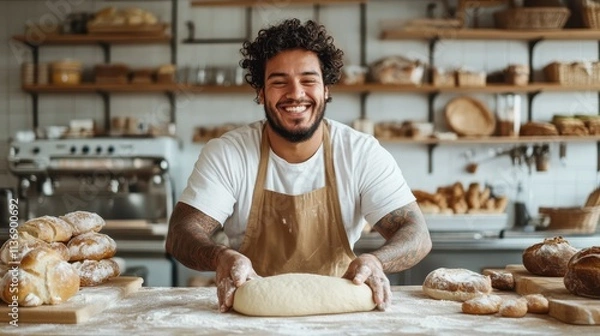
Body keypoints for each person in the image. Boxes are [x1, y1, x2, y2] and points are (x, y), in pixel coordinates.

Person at [166, 18, 432, 313]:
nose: (295, 93)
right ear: (261, 93)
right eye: (279, 81)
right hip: (252, 320)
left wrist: (375, 261)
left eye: (308, 80)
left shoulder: (360, 153)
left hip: (341, 315)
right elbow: (181, 232)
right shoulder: (228, 153)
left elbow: (416, 232)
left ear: (327, 89)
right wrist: (221, 256)